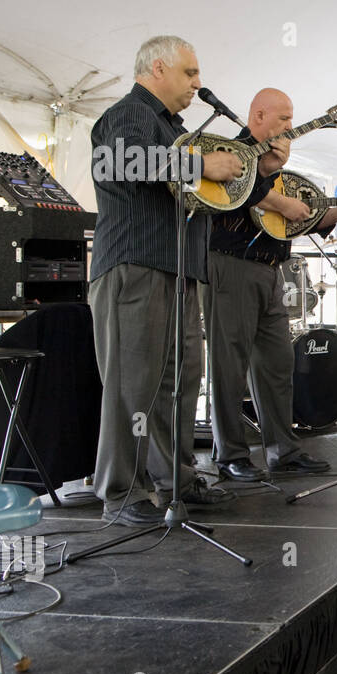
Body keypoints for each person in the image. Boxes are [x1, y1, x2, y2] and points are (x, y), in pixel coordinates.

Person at [89, 36, 244, 524]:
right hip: (135, 265)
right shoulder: (129, 114)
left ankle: (175, 478)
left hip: (177, 268)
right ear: (158, 68)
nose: (199, 84)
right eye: (190, 73)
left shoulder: (173, 128)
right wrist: (202, 165)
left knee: (180, 380)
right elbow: (125, 162)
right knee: (132, 385)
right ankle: (122, 491)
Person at [203, 88, 337, 482]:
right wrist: (277, 198)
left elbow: (297, 220)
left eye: (292, 119)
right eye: (282, 118)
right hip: (229, 265)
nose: (289, 127)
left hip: (270, 269)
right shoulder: (231, 154)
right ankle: (230, 455)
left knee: (278, 362)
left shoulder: (277, 165)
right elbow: (240, 195)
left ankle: (282, 449)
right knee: (229, 363)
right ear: (257, 117)